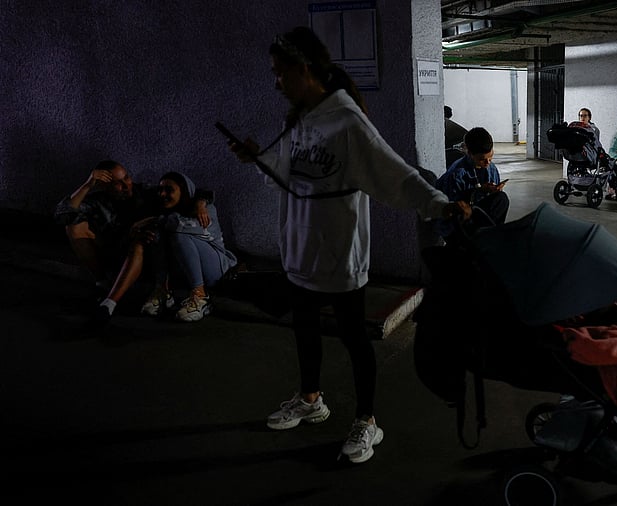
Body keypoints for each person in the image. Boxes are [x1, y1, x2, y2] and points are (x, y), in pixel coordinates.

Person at [224, 26, 469, 465]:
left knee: (354, 337)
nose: (276, 82)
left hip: (339, 252)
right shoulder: (297, 120)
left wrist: (439, 205)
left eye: (281, 73)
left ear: (305, 70)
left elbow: (395, 173)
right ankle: (310, 398)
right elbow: (287, 174)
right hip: (299, 248)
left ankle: (367, 419)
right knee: (304, 328)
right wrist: (258, 156)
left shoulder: (348, 120)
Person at [91, 171, 237, 325]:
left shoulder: (205, 209)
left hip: (217, 271)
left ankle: (201, 297)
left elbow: (177, 225)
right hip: (184, 273)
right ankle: (162, 290)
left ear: (184, 191)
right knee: (154, 234)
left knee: (178, 234)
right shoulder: (166, 211)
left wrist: (149, 221)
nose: (162, 194)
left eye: (169, 190)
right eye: (160, 190)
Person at [55, 161, 213, 296]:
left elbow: (196, 191)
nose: (126, 185)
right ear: (105, 187)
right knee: (74, 227)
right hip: (117, 251)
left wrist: (200, 204)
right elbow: (63, 216)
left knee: (145, 239)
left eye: (127, 178)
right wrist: (87, 185)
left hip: (147, 251)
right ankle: (102, 282)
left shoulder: (143, 191)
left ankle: (151, 290)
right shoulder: (97, 201)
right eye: (118, 183)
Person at [435, 126, 509, 243]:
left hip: (476, 217)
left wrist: (494, 190)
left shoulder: (491, 168)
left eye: (491, 157)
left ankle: (490, 238)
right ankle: (483, 241)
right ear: (470, 153)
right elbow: (452, 210)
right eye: (482, 159)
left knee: (501, 199)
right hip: (457, 222)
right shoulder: (457, 174)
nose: (487, 162)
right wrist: (478, 190)